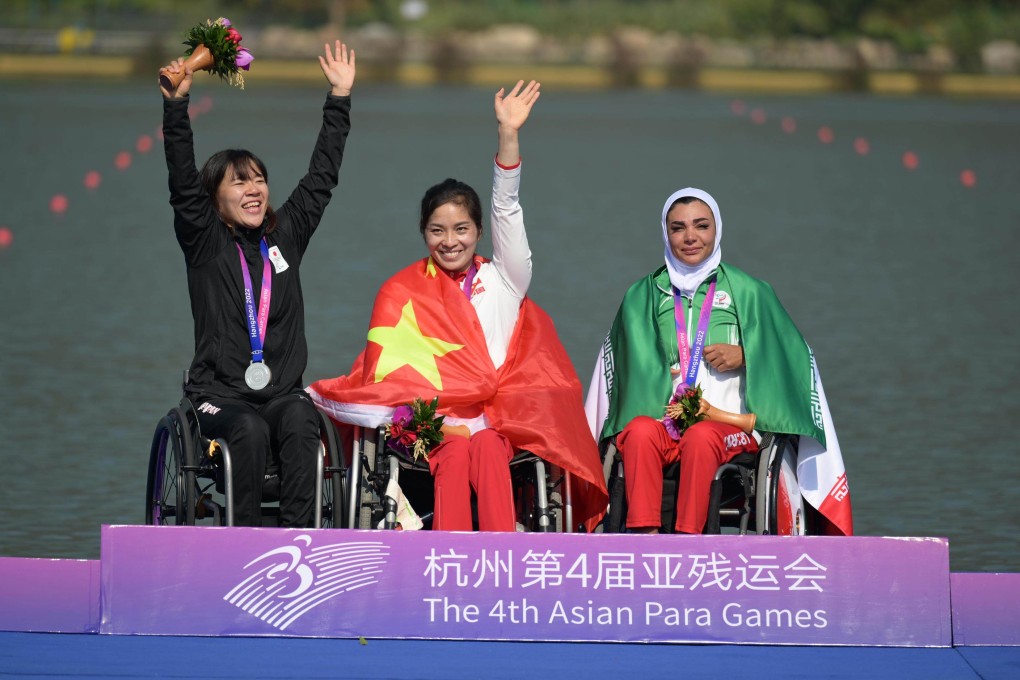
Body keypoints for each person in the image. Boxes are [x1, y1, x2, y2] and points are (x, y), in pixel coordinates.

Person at [308, 80, 607, 532]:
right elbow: (389, 374)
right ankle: (451, 557)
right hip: (431, 423)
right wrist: (428, 421)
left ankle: (501, 557)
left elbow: (507, 206)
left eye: (462, 229)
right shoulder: (400, 290)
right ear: (423, 233)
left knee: (485, 448)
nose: (450, 242)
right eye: (437, 231)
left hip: (498, 419)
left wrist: (509, 135)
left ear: (480, 233)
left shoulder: (506, 278)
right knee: (453, 450)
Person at [160, 41, 356, 527]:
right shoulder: (204, 241)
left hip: (280, 394)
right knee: (245, 427)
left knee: (300, 416)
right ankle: (243, 543)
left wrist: (340, 97)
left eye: (259, 180)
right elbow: (183, 180)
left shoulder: (285, 236)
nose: (254, 190)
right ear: (215, 199)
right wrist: (176, 106)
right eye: (239, 183)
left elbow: (321, 179)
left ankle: (298, 539)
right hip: (218, 397)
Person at [585, 187, 853, 536]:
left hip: (732, 430)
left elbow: (797, 357)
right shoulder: (643, 295)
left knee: (701, 437)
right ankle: (644, 536)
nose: (690, 237)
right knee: (637, 432)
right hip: (665, 426)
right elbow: (616, 365)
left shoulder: (749, 291)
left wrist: (747, 356)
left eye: (701, 226)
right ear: (665, 234)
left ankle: (688, 538)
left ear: (717, 229)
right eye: (678, 228)